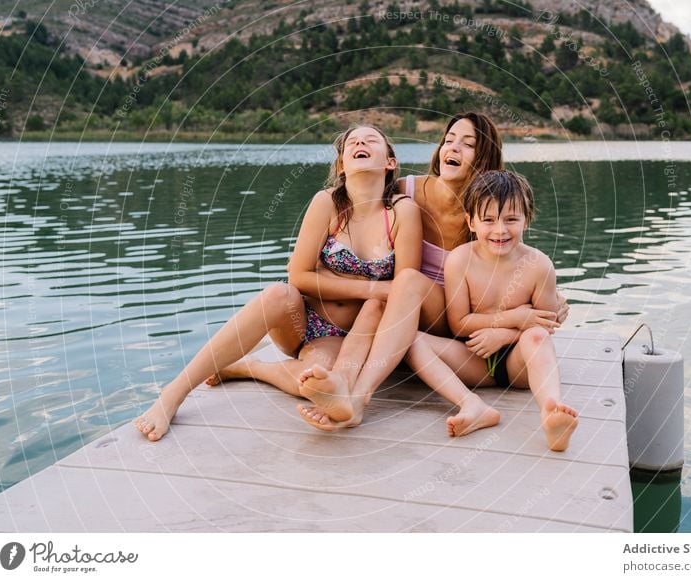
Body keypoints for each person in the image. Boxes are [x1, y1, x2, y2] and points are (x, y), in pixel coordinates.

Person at [134, 125, 421, 441]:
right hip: (303, 319)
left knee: (315, 381)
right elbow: (298, 276)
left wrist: (339, 281)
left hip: (351, 336)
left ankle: (250, 368)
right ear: (342, 165)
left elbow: (404, 290)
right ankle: (173, 393)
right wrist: (369, 287)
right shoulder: (327, 203)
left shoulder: (402, 212)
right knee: (278, 293)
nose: (360, 143)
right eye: (352, 142)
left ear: (390, 162)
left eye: (370, 140)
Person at [297, 113, 569, 430]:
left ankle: (358, 393)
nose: (453, 148)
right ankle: (351, 392)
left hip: (462, 317)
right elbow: (358, 205)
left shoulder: (487, 211)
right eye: (448, 140)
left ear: (485, 160)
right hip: (413, 307)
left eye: (468, 144)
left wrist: (549, 302)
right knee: (399, 288)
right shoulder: (403, 191)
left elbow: (515, 262)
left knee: (406, 285)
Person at [406, 170, 578, 451]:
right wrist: (515, 317)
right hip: (473, 358)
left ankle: (552, 411)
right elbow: (459, 324)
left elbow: (546, 325)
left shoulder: (538, 265)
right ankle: (471, 404)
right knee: (411, 340)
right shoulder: (460, 260)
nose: (500, 230)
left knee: (535, 337)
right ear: (470, 222)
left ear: (527, 219)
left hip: (517, 365)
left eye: (511, 219)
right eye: (488, 220)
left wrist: (505, 335)